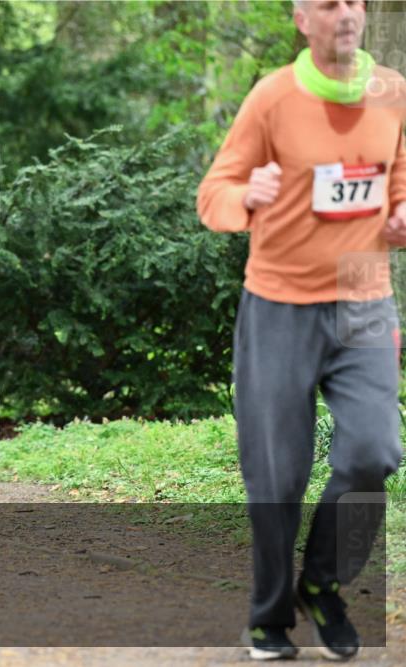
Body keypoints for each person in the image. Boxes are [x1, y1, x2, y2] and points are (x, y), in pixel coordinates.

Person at [197, 0, 405, 660]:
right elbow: (214, 194)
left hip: (363, 297)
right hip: (279, 303)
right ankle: (268, 616)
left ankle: (321, 580)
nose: (344, 12)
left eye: (354, 1)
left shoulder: (393, 93)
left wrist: (401, 216)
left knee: (374, 450)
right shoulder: (272, 99)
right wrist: (245, 198)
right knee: (277, 475)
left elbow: (398, 186)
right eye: (327, 3)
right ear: (302, 19)